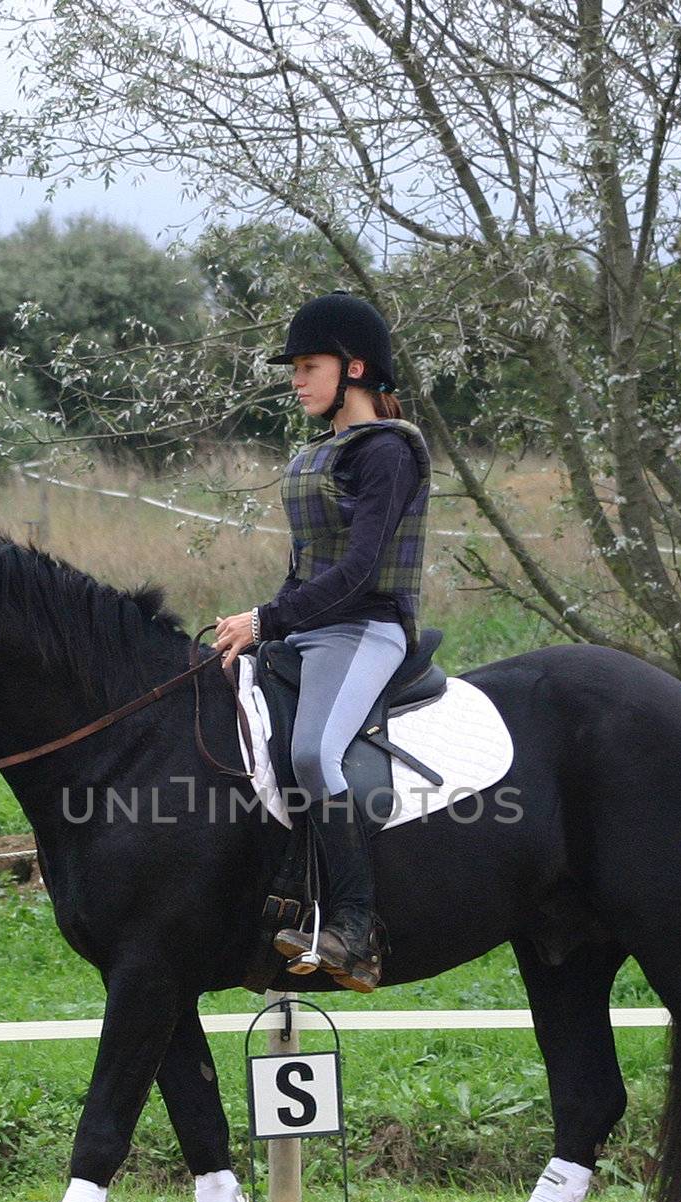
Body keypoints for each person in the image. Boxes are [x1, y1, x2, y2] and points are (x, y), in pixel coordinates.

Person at [212, 290, 432, 993]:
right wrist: (261, 623)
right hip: (310, 627)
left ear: (355, 368)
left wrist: (266, 620)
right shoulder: (320, 451)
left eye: (308, 366)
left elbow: (359, 569)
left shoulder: (388, 453)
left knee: (311, 751)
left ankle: (357, 924)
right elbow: (307, 564)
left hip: (365, 628)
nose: (296, 380)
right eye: (295, 368)